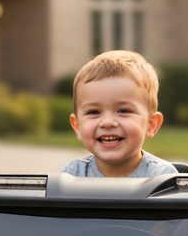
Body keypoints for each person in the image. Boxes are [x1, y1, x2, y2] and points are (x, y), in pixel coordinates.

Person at [62, 50, 177, 178]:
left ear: (151, 125)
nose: (107, 122)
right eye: (93, 112)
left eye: (124, 111)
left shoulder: (162, 177)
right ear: (77, 127)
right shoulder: (72, 175)